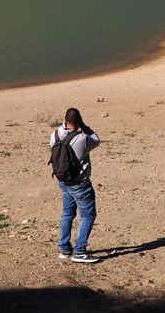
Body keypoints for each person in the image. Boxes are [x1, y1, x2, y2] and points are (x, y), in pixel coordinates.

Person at [50, 107, 102, 264]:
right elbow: (96, 139)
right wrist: (84, 126)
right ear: (78, 122)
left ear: (65, 120)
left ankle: (64, 249)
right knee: (88, 216)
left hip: (63, 181)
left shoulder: (54, 135)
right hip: (79, 183)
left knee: (67, 214)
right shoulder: (82, 139)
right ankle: (79, 252)